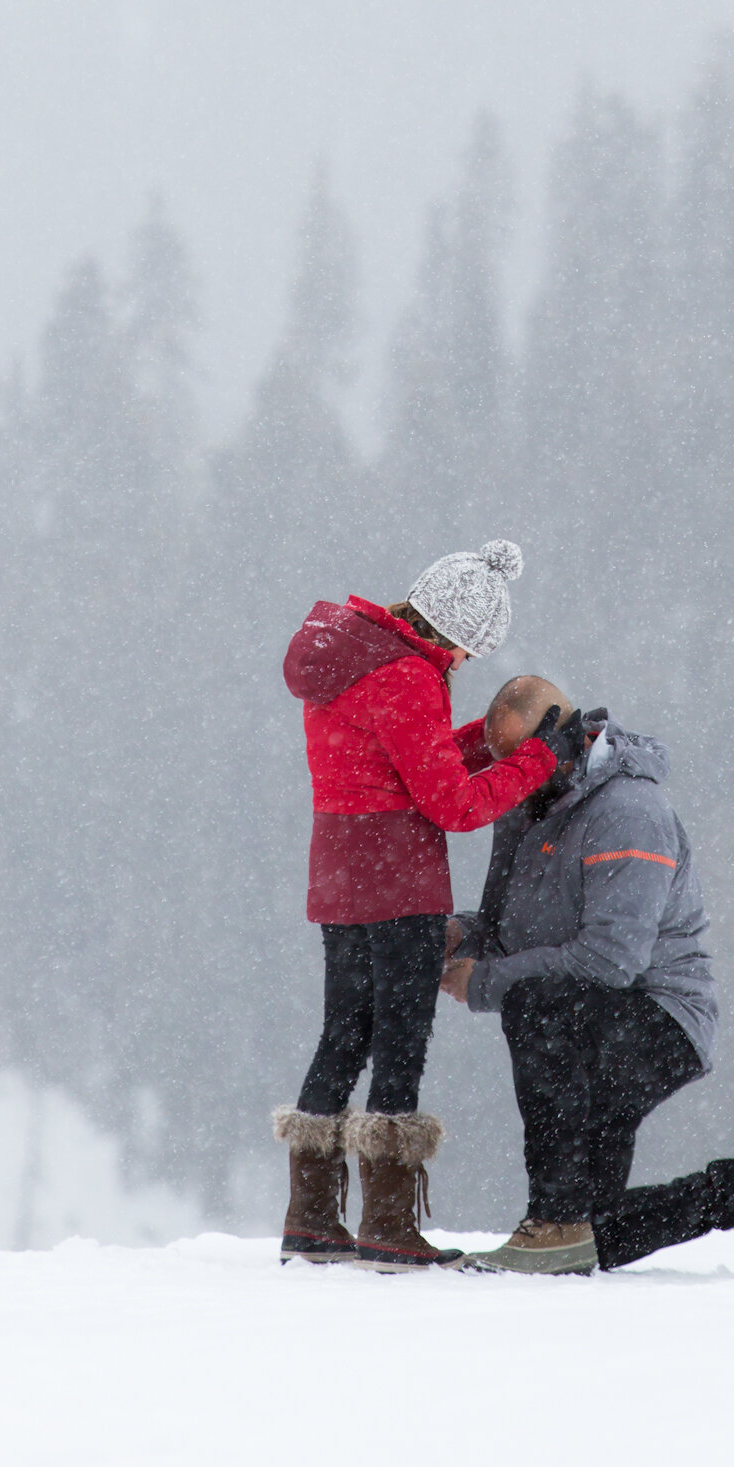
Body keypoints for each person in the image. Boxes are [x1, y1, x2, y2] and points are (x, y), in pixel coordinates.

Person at [271, 542, 582, 1270]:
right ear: (448, 634)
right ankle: (388, 1225)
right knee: (400, 1041)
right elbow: (453, 805)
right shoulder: (408, 677)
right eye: (469, 651)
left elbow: (412, 758)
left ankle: (311, 1219)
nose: (466, 665)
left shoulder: (355, 658)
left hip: (341, 873)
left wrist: (489, 740)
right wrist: (540, 759)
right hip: (399, 878)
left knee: (344, 1033)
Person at [441, 676, 734, 1276]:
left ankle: (553, 1222)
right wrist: (460, 935)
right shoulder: (526, 805)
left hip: (657, 1018)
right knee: (599, 1231)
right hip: (589, 1015)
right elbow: (513, 927)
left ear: (561, 734)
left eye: (526, 760)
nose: (515, 777)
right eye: (506, 765)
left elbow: (610, 960)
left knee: (531, 1001)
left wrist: (481, 983)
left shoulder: (629, 812)